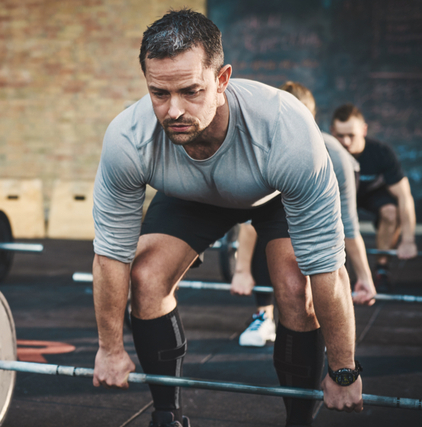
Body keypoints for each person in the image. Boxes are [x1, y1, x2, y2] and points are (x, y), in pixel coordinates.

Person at [91, 10, 363, 427]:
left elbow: (329, 268)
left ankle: (298, 420)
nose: (173, 110)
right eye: (159, 93)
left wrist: (343, 370)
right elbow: (111, 256)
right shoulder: (128, 139)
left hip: (271, 194)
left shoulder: (285, 130)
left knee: (295, 282)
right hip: (190, 195)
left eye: (190, 90)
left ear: (222, 80)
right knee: (145, 274)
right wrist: (110, 349)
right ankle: (167, 414)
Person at [230, 82, 376, 348]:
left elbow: (348, 225)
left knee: (314, 260)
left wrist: (364, 277)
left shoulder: (335, 157)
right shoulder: (262, 150)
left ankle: (316, 322)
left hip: (321, 196)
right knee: (273, 240)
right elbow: (252, 219)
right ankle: (264, 315)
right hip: (278, 202)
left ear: (310, 119)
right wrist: (241, 271)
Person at [331, 104, 418, 291]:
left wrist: (408, 240)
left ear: (363, 130)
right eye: (340, 135)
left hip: (371, 193)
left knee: (391, 211)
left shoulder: (380, 152)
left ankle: (382, 269)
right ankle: (336, 270)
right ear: (332, 132)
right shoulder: (328, 154)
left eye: (351, 135)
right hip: (342, 195)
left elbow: (404, 196)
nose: (345, 142)